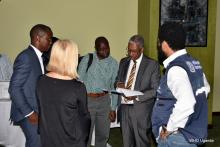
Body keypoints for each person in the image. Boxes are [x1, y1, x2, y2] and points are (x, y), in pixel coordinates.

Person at [151, 22, 210, 147]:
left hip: (177, 139)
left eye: (159, 42)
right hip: (191, 134)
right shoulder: (193, 62)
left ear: (164, 44)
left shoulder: (175, 70)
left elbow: (187, 103)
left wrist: (169, 128)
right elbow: (205, 89)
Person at [36, 39, 91, 147]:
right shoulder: (77, 87)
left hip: (47, 138)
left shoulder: (40, 81)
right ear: (72, 59)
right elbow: (85, 119)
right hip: (72, 141)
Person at [8, 24, 53, 147]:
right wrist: (29, 113)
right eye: (48, 39)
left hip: (37, 111)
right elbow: (14, 88)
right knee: (36, 143)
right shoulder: (26, 57)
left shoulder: (38, 57)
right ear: (38, 38)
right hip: (29, 112)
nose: (50, 42)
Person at [115, 35, 160, 147]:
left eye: (134, 51)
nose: (131, 54)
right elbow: (117, 80)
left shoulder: (152, 65)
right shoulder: (123, 62)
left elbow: (155, 90)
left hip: (141, 111)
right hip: (124, 109)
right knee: (127, 143)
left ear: (142, 49)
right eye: (129, 50)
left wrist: (136, 96)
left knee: (141, 143)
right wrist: (118, 84)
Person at [78, 36, 118, 147]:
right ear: (96, 49)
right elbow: (79, 82)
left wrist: (113, 108)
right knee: (86, 133)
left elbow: (114, 88)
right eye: (101, 49)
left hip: (104, 101)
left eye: (107, 48)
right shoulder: (88, 59)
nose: (105, 51)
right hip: (88, 100)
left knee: (103, 134)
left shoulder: (114, 64)